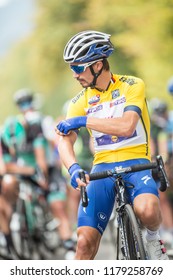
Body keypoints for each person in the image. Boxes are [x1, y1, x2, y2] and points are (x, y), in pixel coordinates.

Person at [55, 30, 169, 260]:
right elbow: (65, 142)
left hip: (136, 162)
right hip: (102, 168)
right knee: (84, 243)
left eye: (78, 68)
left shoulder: (132, 85)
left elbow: (127, 126)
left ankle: (153, 239)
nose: (75, 75)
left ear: (97, 66)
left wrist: (84, 120)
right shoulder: (79, 101)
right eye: (72, 69)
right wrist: (73, 167)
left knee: (148, 210)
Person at [0, 88, 75, 258]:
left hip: (46, 168)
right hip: (27, 170)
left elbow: (41, 159)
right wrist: (29, 171)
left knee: (56, 206)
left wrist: (42, 178)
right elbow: (6, 167)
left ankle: (69, 245)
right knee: (9, 184)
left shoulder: (35, 127)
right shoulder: (6, 133)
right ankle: (18, 220)